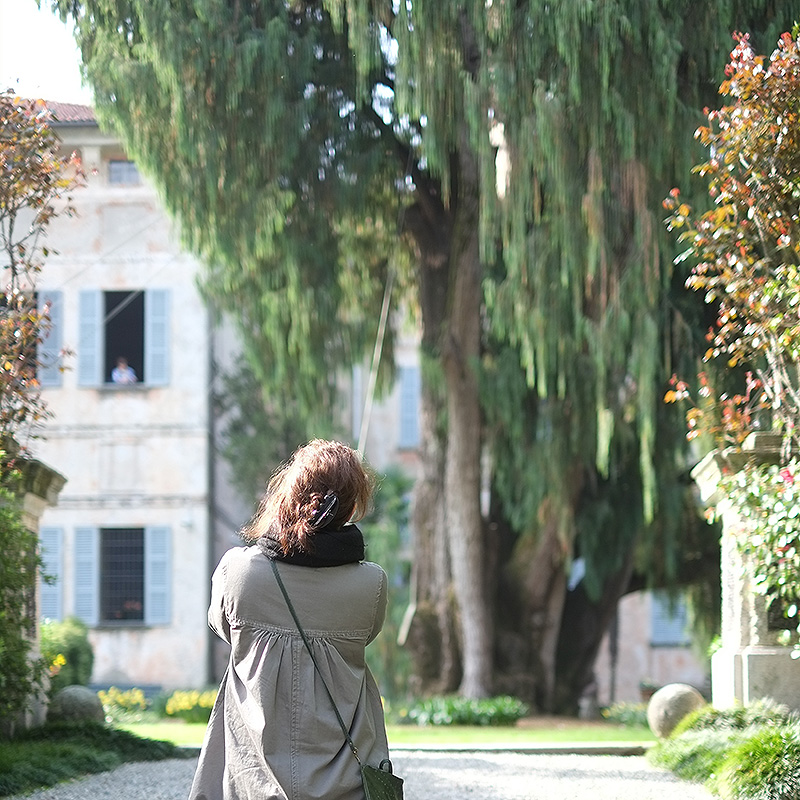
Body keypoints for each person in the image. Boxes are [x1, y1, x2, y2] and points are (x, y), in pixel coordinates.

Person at [188, 439, 390, 800]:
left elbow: (221, 625)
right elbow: (368, 633)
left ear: (288, 494)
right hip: (345, 779)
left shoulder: (238, 571)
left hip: (254, 777)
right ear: (349, 507)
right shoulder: (371, 583)